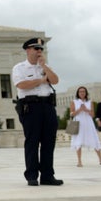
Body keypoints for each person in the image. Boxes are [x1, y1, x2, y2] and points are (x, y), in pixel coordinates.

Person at [12, 38, 63, 186]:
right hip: (30, 107)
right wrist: (41, 80)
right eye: (36, 49)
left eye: (41, 49)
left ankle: (47, 175)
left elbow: (55, 80)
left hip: (47, 106)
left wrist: (44, 67)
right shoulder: (19, 68)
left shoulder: (45, 67)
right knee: (32, 141)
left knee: (48, 142)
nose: (39, 51)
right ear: (28, 50)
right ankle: (32, 175)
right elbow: (21, 85)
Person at [70, 86, 101, 167]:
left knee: (94, 139)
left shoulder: (90, 102)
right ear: (78, 93)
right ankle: (79, 161)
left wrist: (86, 110)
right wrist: (80, 109)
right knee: (78, 141)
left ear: (86, 93)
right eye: (80, 91)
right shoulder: (74, 101)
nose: (82, 93)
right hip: (78, 122)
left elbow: (93, 115)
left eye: (83, 91)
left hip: (88, 123)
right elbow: (72, 114)